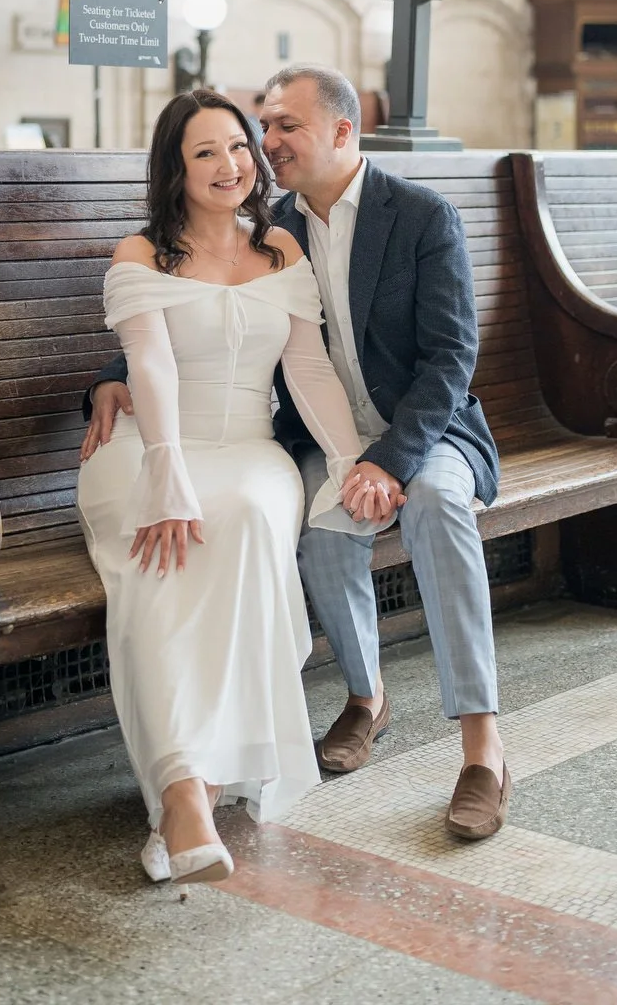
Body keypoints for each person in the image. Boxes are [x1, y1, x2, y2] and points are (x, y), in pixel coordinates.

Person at [86, 65, 509, 842]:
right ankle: (365, 695)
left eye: (284, 129)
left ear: (343, 132)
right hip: (317, 435)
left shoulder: (418, 215)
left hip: (423, 426)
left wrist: (389, 459)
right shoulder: (272, 224)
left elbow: (451, 360)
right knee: (314, 518)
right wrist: (113, 381)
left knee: (442, 506)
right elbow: (194, 308)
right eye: (265, 127)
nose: (265, 144)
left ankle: (482, 747)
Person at [76, 87, 394, 891]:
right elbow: (147, 366)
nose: (231, 166)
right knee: (164, 556)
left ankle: (197, 790)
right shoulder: (140, 255)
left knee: (249, 515)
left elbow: (309, 367)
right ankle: (184, 792)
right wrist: (167, 472)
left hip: (251, 450)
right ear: (175, 170)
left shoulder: (281, 249)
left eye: (240, 147)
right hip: (151, 447)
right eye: (205, 153)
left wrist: (354, 460)